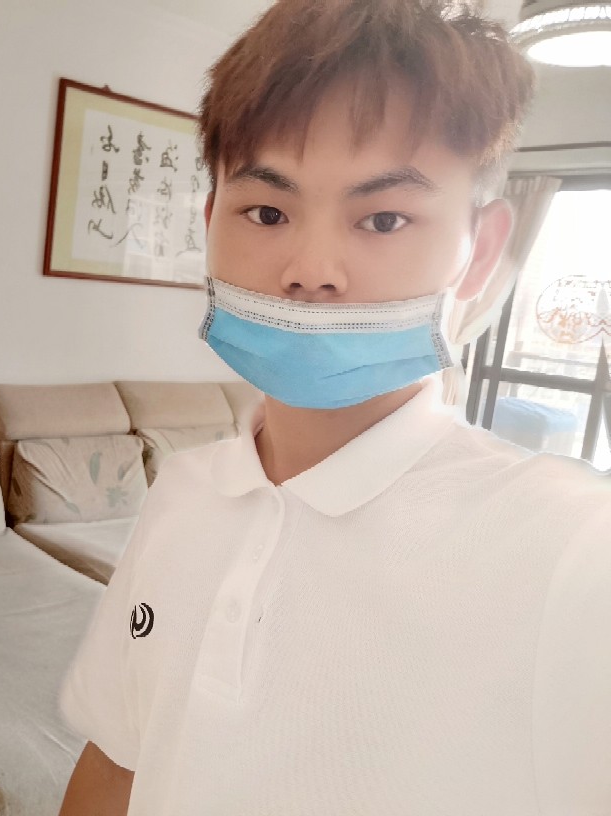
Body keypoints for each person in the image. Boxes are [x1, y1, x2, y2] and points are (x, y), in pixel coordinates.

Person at [57, 1, 611, 814]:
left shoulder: (573, 552)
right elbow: (118, 759)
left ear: (481, 250)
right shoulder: (183, 491)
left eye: (383, 218)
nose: (311, 269)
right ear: (211, 225)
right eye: (267, 212)